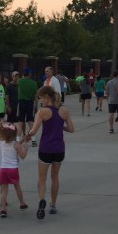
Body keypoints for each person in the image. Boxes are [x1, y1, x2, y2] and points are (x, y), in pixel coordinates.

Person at [24, 85, 74, 219]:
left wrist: (26, 136)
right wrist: (60, 126)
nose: (40, 101)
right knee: (55, 177)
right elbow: (71, 129)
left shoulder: (42, 112)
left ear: (47, 97)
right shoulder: (64, 110)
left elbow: (34, 131)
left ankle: (42, 200)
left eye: (41, 98)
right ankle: (53, 205)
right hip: (59, 149)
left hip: (45, 148)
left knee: (42, 178)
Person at [0, 123, 29, 217]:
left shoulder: (2, 144)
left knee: (4, 191)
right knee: (17, 187)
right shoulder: (16, 145)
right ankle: (22, 203)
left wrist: (22, 140)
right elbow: (22, 156)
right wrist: (25, 147)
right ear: (14, 135)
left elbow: (14, 144)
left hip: (3, 169)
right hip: (13, 169)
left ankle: (3, 209)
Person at [16, 68, 38, 142]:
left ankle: (18, 140)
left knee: (20, 122)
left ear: (23, 74)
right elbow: (36, 96)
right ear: (30, 74)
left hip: (21, 102)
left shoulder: (19, 81)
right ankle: (33, 140)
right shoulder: (33, 83)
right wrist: (36, 105)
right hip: (30, 103)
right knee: (30, 122)